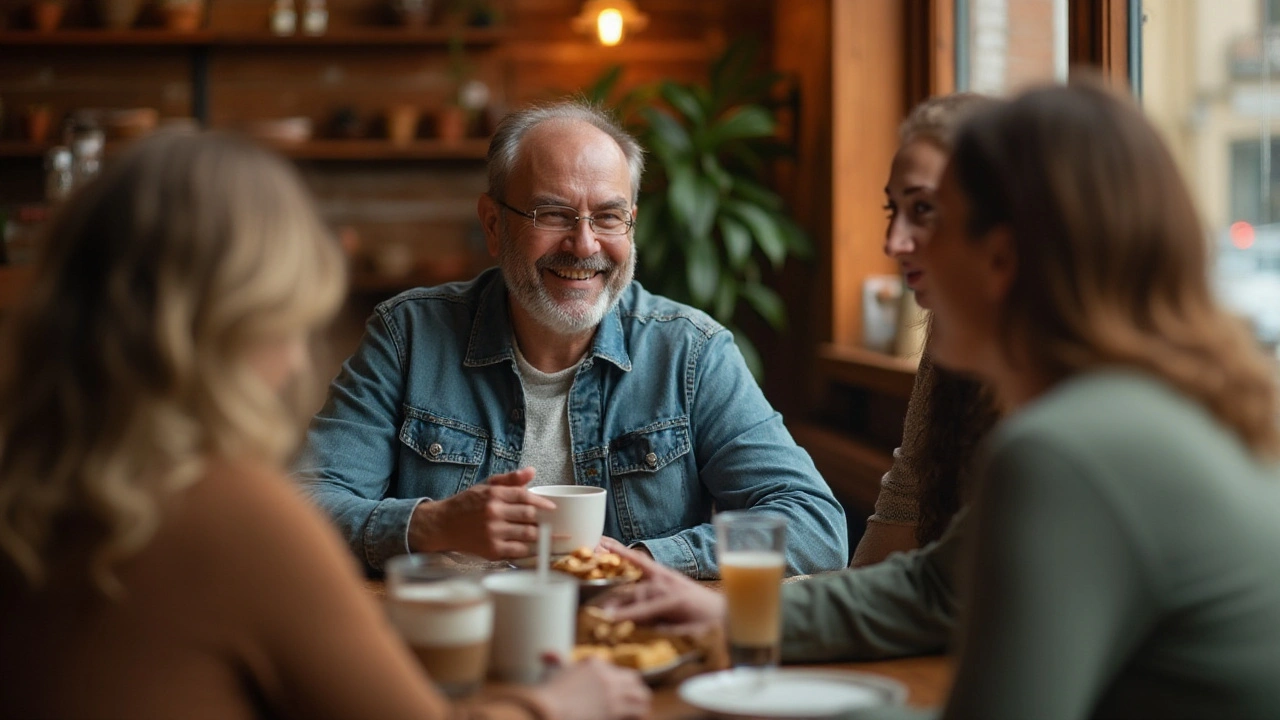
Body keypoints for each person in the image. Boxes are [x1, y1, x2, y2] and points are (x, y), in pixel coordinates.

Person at [610, 79, 1280, 718]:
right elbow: (938, 587)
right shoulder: (1165, 401)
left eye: (938, 219)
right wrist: (733, 615)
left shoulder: (1068, 449)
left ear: (1004, 255)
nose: (901, 247)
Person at [0, 130, 650, 720]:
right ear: (227, 324)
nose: (293, 358)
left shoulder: (29, 480)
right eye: (289, 318)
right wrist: (558, 705)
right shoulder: (235, 512)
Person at [296, 100, 848, 579]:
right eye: (552, 213)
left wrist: (648, 561)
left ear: (631, 224)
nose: (584, 245)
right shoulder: (408, 336)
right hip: (458, 639)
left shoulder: (690, 351)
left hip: (633, 647)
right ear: (493, 225)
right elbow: (302, 506)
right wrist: (430, 525)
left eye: (608, 217)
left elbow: (815, 525)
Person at [852, 94, 1000, 567]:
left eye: (923, 209)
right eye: (892, 210)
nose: (892, 243)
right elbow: (906, 501)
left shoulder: (1081, 374)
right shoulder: (952, 336)